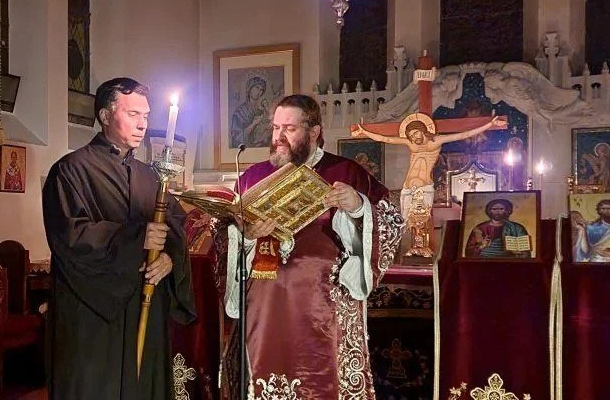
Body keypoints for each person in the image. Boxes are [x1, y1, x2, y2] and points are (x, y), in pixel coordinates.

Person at [213, 94, 404, 399]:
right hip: (264, 308)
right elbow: (225, 236)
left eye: (289, 128)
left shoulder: (346, 172)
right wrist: (246, 234)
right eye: (275, 128)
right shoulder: (252, 176)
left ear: (314, 132)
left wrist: (358, 207)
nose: (279, 137)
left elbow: (391, 220)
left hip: (323, 308)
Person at [42, 77, 195, 399]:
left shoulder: (151, 175)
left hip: (145, 305)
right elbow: (70, 235)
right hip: (94, 315)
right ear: (105, 115)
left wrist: (168, 259)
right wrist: (137, 238)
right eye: (133, 114)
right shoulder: (70, 170)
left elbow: (178, 228)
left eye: (146, 116)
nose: (143, 125)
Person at [353, 113, 506, 221]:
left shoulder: (437, 141)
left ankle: (421, 250)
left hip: (425, 186)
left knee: (421, 222)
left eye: (415, 134)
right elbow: (385, 138)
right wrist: (364, 131)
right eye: (411, 136)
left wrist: (489, 124)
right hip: (408, 186)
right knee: (406, 222)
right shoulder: (409, 142)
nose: (414, 138)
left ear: (423, 130)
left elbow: (463, 134)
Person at [464, 198, 531, 258]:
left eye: (501, 209)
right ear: (489, 211)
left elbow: (525, 252)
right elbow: (469, 251)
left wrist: (517, 252)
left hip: (509, 262)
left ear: (507, 211)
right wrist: (481, 247)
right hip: (484, 261)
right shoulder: (479, 228)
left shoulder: (517, 228)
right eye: (494, 209)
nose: (497, 212)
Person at [230, 76, 269, 147]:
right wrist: (253, 124)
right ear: (250, 88)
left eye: (261, 90)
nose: (259, 92)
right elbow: (236, 139)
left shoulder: (262, 110)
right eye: (257, 88)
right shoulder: (239, 112)